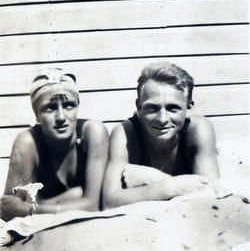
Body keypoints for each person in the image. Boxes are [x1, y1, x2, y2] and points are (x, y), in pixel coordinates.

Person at [103, 61, 220, 208]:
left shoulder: (198, 130)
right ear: (139, 107)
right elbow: (110, 201)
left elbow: (211, 196)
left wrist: (148, 181)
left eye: (173, 108)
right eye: (152, 108)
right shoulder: (125, 133)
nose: (162, 119)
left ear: (188, 108)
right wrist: (168, 186)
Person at [1, 68, 109, 221]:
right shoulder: (28, 142)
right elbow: (8, 209)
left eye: (69, 105)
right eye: (50, 108)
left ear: (78, 106)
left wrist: (32, 208)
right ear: (37, 115)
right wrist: (75, 196)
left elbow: (93, 206)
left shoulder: (92, 133)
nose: (61, 117)